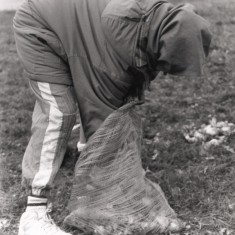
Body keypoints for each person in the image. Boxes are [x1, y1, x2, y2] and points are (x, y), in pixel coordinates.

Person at [13, 0, 211, 234]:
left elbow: (120, 93)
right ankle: (34, 211)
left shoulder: (152, 28)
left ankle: (86, 170)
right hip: (40, 25)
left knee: (99, 104)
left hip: (76, 29)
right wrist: (110, 177)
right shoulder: (109, 56)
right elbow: (100, 112)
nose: (165, 73)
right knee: (59, 111)